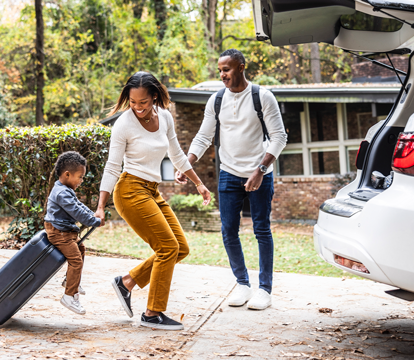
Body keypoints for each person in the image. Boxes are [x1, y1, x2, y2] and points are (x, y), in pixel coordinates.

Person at [94, 71, 211, 331]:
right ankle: (152, 314)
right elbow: (112, 167)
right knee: (167, 248)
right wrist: (101, 206)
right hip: (129, 190)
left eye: (143, 103)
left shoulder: (165, 117)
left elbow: (177, 154)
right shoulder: (124, 124)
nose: (138, 108)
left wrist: (199, 183)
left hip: (151, 190)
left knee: (180, 248)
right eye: (133, 102)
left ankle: (127, 282)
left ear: (154, 96)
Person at [176, 49, 287, 310]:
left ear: (240, 67)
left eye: (226, 69)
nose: (222, 75)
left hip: (260, 173)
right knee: (228, 231)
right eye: (220, 71)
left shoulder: (262, 97)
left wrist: (260, 169)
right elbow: (203, 138)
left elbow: (279, 137)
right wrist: (186, 163)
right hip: (228, 173)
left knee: (261, 229)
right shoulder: (216, 101)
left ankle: (265, 290)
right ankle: (242, 283)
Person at [44, 151, 104, 315]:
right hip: (59, 233)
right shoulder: (62, 193)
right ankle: (69, 296)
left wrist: (92, 214)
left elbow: (78, 205)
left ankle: (71, 282)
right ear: (67, 174)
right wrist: (93, 221)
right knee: (76, 260)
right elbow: (76, 211)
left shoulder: (64, 189)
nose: (81, 181)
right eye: (80, 177)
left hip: (64, 231)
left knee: (81, 249)